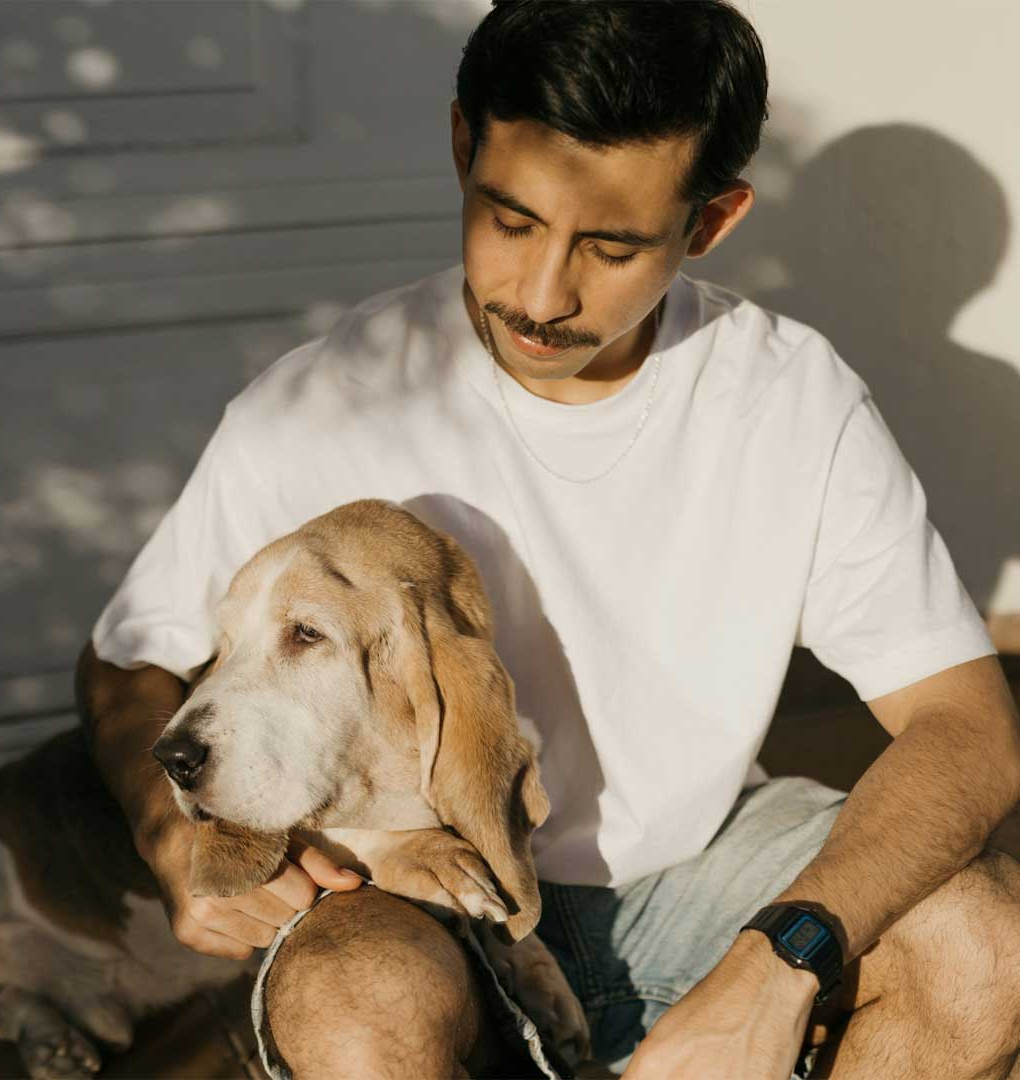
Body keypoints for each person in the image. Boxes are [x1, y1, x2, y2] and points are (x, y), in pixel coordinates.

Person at [77, 3, 1020, 1078]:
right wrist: (169, 831)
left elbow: (967, 724)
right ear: (462, 148)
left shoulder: (788, 398)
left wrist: (781, 958)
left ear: (709, 223)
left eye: (610, 247)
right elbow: (127, 656)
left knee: (989, 940)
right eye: (509, 219)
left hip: (701, 869)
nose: (539, 295)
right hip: (412, 893)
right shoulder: (324, 403)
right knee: (353, 999)